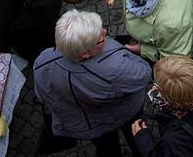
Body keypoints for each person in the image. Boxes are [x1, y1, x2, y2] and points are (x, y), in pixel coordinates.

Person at [34, 10, 152, 157]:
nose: (105, 32)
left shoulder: (43, 61)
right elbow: (144, 73)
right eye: (101, 39)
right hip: (125, 113)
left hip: (90, 125)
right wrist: (127, 51)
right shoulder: (115, 69)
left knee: (107, 149)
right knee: (136, 139)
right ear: (84, 53)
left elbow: (44, 95)